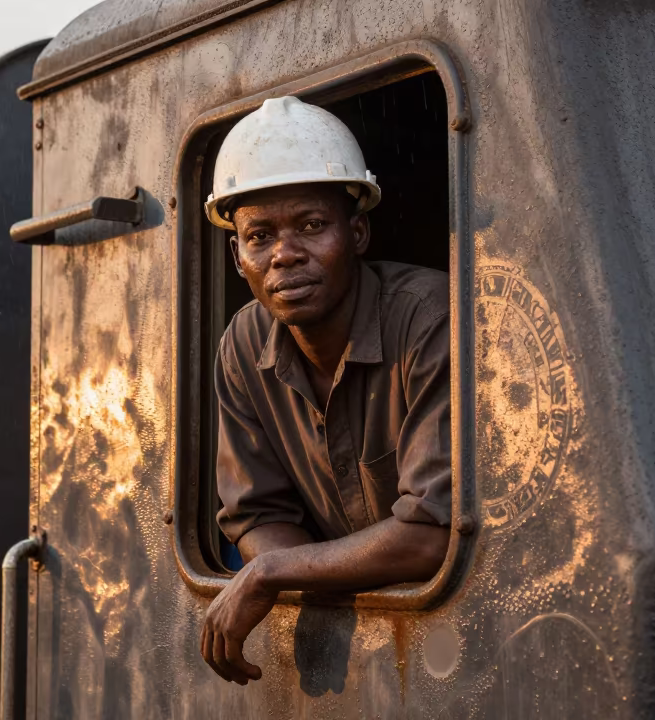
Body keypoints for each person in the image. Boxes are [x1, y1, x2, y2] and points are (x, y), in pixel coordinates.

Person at [199, 96, 452, 685]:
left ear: (357, 231)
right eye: (259, 236)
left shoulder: (429, 318)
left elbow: (430, 536)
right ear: (238, 257)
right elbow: (258, 514)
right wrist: (288, 566)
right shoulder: (242, 343)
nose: (285, 254)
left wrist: (271, 574)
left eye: (311, 226)